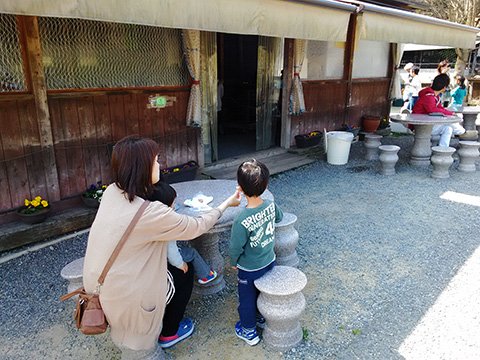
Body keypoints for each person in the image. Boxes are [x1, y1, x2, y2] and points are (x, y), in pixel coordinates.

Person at [83, 137, 241, 358]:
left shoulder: (112, 192)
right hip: (128, 300)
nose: (159, 165)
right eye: (156, 160)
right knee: (184, 272)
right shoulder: (151, 213)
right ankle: (169, 332)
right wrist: (225, 204)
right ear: (142, 167)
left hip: (97, 285)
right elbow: (195, 227)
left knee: (176, 262)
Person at [229, 159, 284, 346]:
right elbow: (280, 217)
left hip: (249, 267)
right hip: (269, 259)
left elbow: (236, 246)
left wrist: (233, 261)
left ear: (241, 189)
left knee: (247, 298)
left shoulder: (241, 218)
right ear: (266, 185)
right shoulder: (269, 204)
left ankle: (248, 331)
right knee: (262, 291)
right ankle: (261, 316)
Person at [150, 180, 218, 285]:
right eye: (173, 202)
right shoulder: (168, 224)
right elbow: (171, 251)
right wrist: (180, 264)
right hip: (164, 258)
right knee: (191, 252)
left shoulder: (151, 217)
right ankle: (205, 275)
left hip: (153, 255)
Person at [412, 74, 475, 146]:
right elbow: (433, 110)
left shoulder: (433, 96)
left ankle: (442, 150)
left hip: (426, 123)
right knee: (448, 122)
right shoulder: (429, 96)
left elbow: (439, 108)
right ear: (444, 87)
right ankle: (462, 133)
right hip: (420, 126)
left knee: (448, 129)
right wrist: (450, 114)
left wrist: (449, 113)